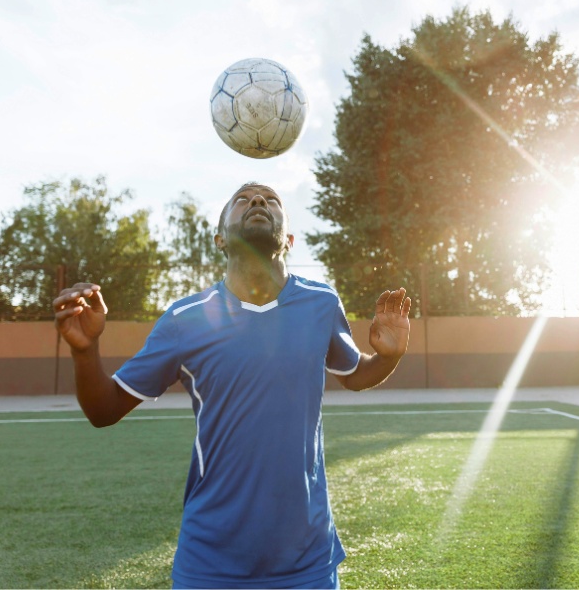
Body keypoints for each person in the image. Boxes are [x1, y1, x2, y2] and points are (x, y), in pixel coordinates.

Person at [52, 182, 411, 589]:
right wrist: (86, 351)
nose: (258, 201)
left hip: (307, 561)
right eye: (243, 200)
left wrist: (387, 357)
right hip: (210, 563)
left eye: (271, 200)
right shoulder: (184, 319)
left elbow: (355, 375)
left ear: (289, 239)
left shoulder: (322, 303)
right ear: (220, 238)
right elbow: (104, 410)